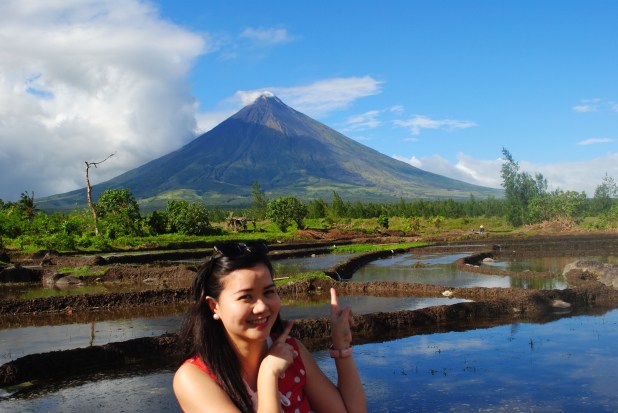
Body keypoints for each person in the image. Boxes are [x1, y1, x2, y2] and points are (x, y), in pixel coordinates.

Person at [173, 241, 366, 413]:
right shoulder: (194, 378)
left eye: (268, 292)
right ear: (214, 306)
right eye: (246, 296)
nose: (262, 307)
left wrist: (342, 345)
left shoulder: (292, 353)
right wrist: (268, 374)